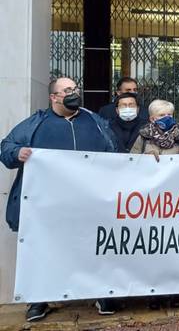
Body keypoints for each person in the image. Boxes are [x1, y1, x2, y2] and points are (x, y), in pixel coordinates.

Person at [0, 77, 117, 321]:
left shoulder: (94, 122)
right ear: (53, 97)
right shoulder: (36, 123)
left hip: (88, 202)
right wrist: (17, 152)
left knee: (92, 247)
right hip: (47, 206)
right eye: (67, 90)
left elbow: (114, 153)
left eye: (75, 88)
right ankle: (38, 300)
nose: (74, 93)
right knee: (44, 251)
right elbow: (6, 146)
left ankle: (101, 293)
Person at [130, 99, 179, 309]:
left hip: (177, 200)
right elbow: (129, 161)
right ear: (152, 118)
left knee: (175, 246)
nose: (166, 118)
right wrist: (144, 159)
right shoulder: (144, 136)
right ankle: (154, 293)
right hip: (152, 201)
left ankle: (175, 292)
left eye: (169, 114)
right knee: (155, 246)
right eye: (161, 116)